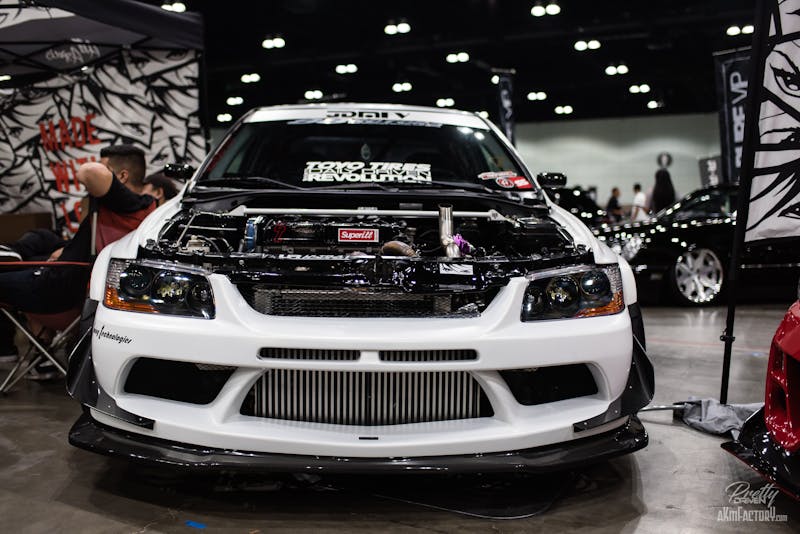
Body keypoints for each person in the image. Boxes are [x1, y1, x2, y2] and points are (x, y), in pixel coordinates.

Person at [0, 144, 156, 375]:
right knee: (43, 239)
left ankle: (8, 348)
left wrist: (100, 172)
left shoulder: (128, 203)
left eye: (107, 167)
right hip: (68, 277)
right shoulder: (145, 206)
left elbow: (88, 172)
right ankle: (38, 358)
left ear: (122, 177)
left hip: (59, 289)